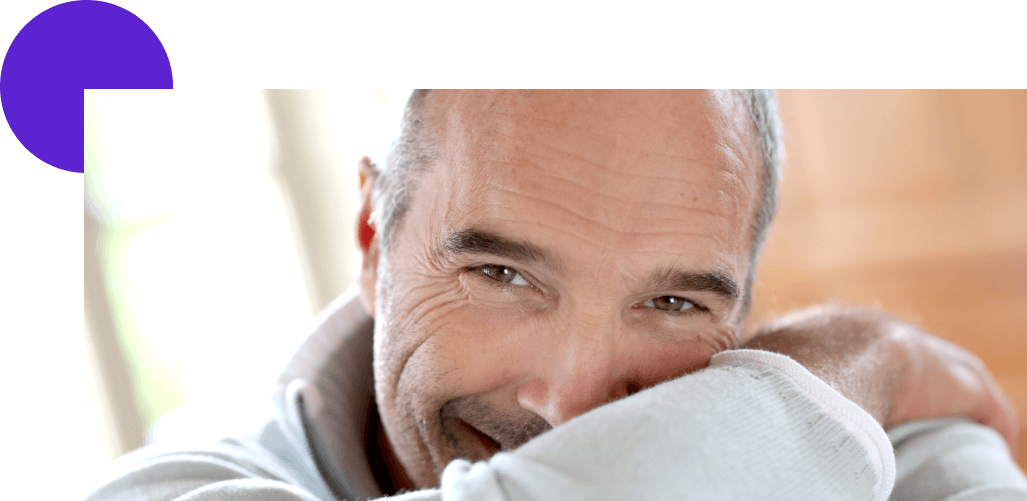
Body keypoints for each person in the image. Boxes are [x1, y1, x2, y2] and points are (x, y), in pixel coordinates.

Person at [86, 90, 1027, 501]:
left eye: (673, 304)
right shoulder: (170, 487)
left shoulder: (883, 433)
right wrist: (865, 354)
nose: (572, 403)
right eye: (501, 274)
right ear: (374, 238)